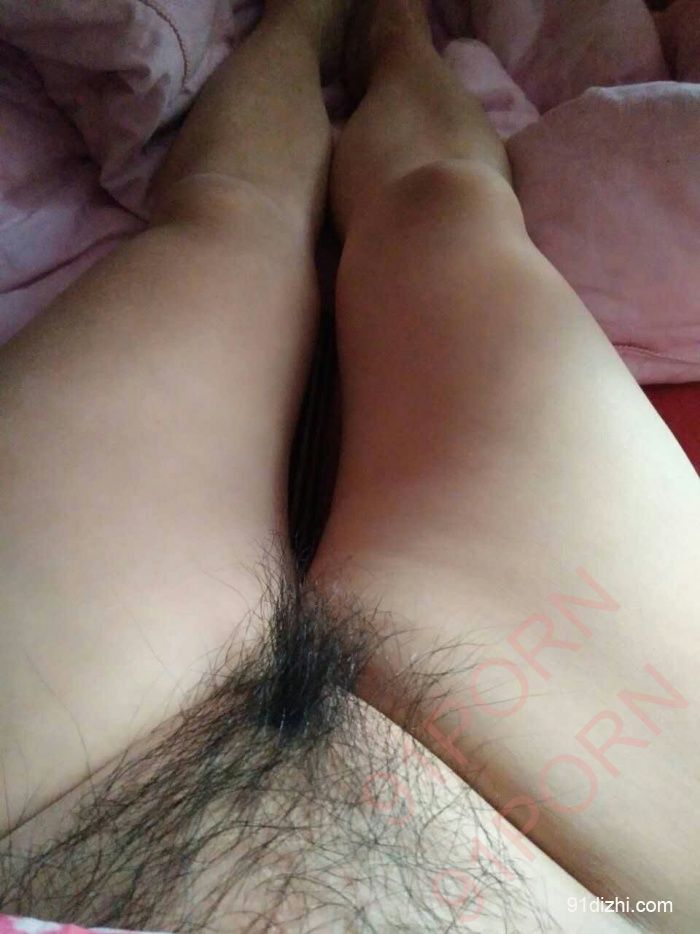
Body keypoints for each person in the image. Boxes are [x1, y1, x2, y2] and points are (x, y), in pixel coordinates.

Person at [1, 0, 697, 930]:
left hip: (32, 775)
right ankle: (320, 18)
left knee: (237, 214)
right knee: (441, 203)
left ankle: (377, 24)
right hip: (632, 875)